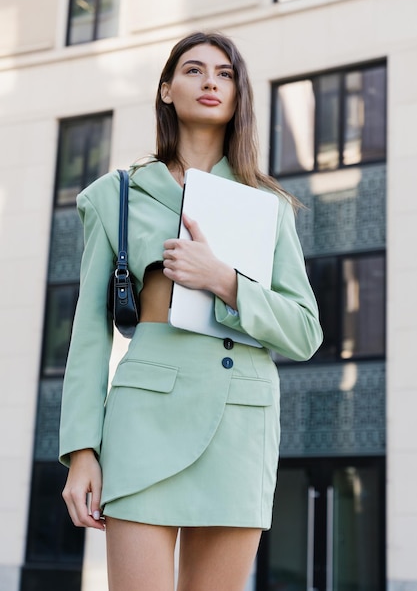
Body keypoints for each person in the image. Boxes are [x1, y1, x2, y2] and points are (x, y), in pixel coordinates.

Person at [59, 31, 323, 591]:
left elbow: (304, 331)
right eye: (194, 70)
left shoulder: (268, 205)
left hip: (239, 422)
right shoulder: (117, 195)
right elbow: (88, 335)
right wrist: (82, 451)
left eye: (225, 74)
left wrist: (225, 282)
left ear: (239, 95)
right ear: (165, 89)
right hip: (144, 421)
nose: (210, 82)